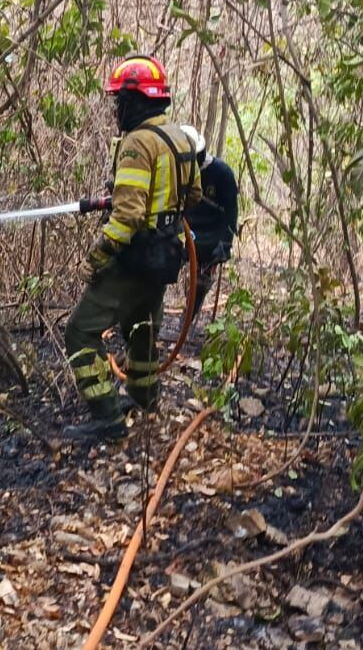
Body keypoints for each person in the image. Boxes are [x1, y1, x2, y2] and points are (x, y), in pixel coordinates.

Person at [63, 56, 202, 442]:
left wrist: (97, 257)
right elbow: (193, 195)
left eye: (118, 101)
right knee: (141, 329)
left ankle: (107, 416)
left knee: (79, 331)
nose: (115, 109)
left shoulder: (137, 144)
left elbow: (127, 217)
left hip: (134, 256)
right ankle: (144, 399)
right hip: (165, 255)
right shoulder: (181, 139)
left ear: (135, 100)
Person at [178, 124, 239, 316]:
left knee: (202, 281)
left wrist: (225, 244)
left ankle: (189, 317)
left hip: (212, 233)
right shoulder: (177, 170)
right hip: (185, 229)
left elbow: (231, 213)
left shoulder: (222, 173)